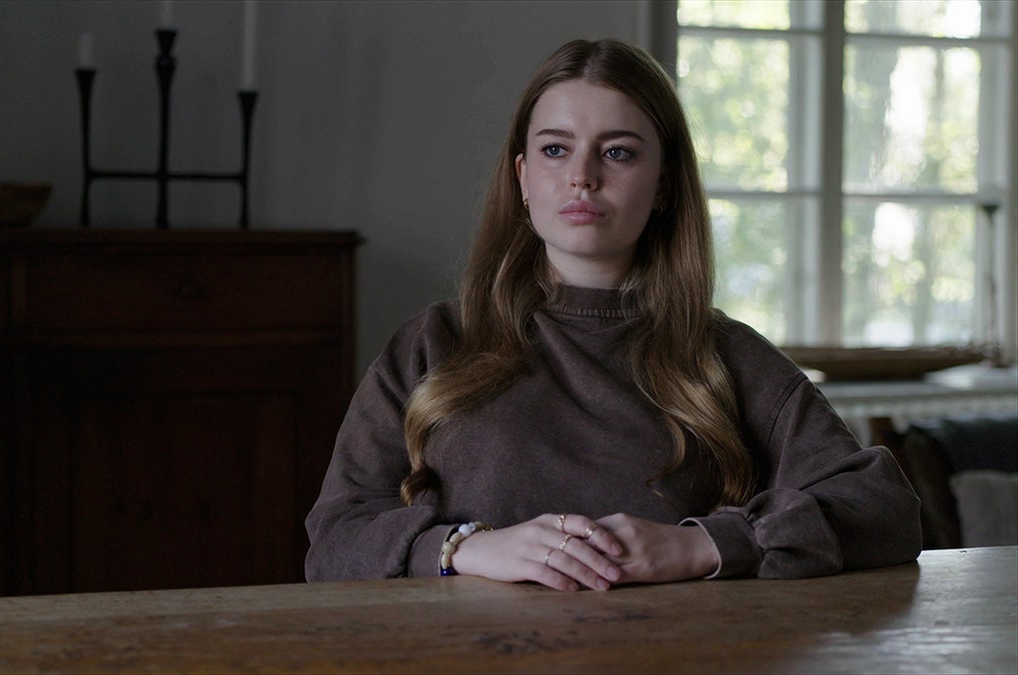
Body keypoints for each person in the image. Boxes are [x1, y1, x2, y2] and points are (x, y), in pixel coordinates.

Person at [305, 39, 922, 591]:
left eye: (619, 153)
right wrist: (465, 548)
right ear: (523, 177)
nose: (581, 177)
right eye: (554, 149)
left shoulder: (727, 357)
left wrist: (703, 543)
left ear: (663, 187)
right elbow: (334, 540)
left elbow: (885, 508)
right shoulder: (432, 345)